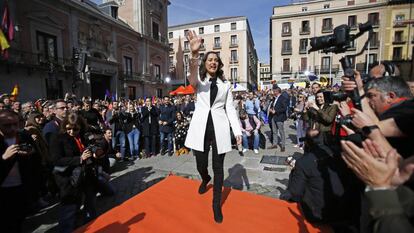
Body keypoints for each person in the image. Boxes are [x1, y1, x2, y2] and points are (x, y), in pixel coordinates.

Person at [184, 30, 242, 223]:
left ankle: (216, 205)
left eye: (216, 60)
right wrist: (194, 55)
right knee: (201, 164)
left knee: (219, 168)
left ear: (219, 64)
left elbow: (231, 110)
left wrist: (237, 131)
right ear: (205, 62)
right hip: (200, 130)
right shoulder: (199, 82)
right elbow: (191, 78)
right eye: (209, 59)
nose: (213, 62)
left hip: (220, 130)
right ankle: (204, 177)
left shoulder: (226, 86)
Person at [268, 87, 288, 152]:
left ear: (278, 91)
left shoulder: (283, 98)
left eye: (274, 91)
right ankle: (274, 144)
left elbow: (284, 108)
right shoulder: (274, 98)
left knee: (281, 132)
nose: (273, 93)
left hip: (279, 117)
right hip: (273, 117)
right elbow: (273, 106)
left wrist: (276, 111)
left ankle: (283, 146)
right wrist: (271, 109)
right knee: (274, 131)